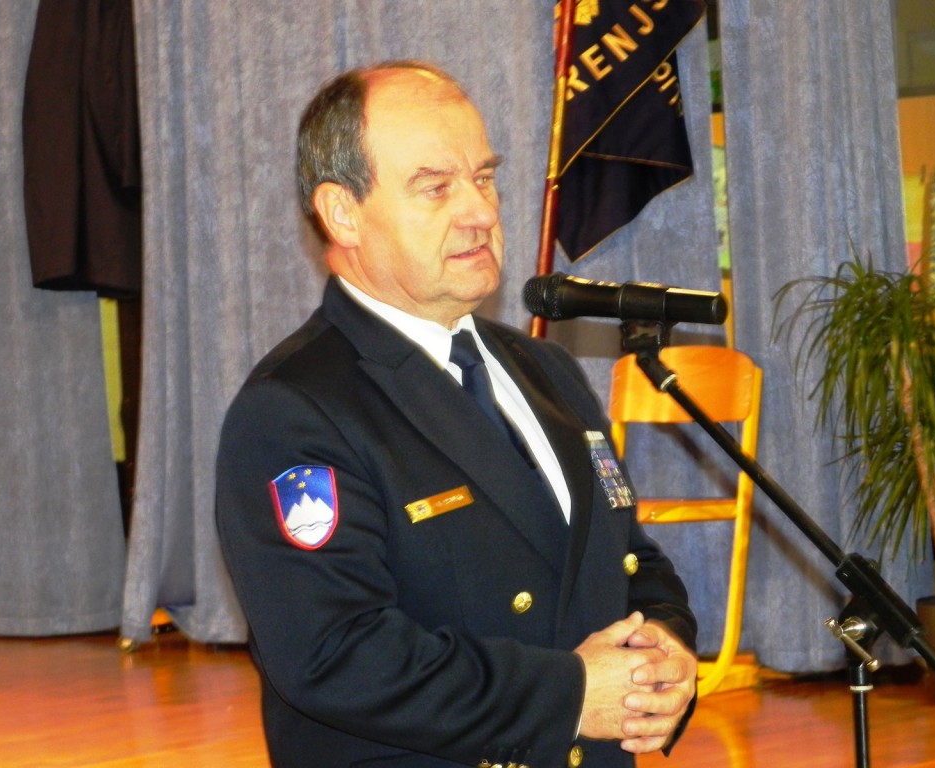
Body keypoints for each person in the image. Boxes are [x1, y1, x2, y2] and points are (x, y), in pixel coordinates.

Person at [216, 60, 697, 768]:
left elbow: (628, 557)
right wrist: (568, 695)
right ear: (342, 212)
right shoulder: (295, 408)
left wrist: (666, 643)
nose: (480, 212)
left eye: (485, 178)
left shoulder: (545, 369)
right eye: (435, 187)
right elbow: (335, 653)